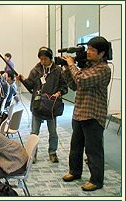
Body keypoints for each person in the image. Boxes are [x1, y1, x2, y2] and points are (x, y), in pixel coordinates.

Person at [61, 36, 111, 191]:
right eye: (88, 49)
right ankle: (74, 172)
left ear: (102, 53)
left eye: (92, 50)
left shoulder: (103, 69)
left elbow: (81, 81)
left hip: (93, 114)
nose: (88, 52)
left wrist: (71, 65)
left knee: (93, 150)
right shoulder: (87, 67)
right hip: (79, 112)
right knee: (75, 147)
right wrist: (66, 69)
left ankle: (96, 180)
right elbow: (74, 85)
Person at [17, 47, 68, 163]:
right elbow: (30, 85)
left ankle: (52, 152)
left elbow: (64, 86)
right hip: (38, 104)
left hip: (51, 106)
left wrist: (59, 93)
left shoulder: (58, 70)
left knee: (53, 132)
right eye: (41, 59)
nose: (42, 62)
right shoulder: (36, 70)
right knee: (34, 132)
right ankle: (33, 154)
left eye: (45, 59)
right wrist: (22, 79)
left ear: (50, 58)